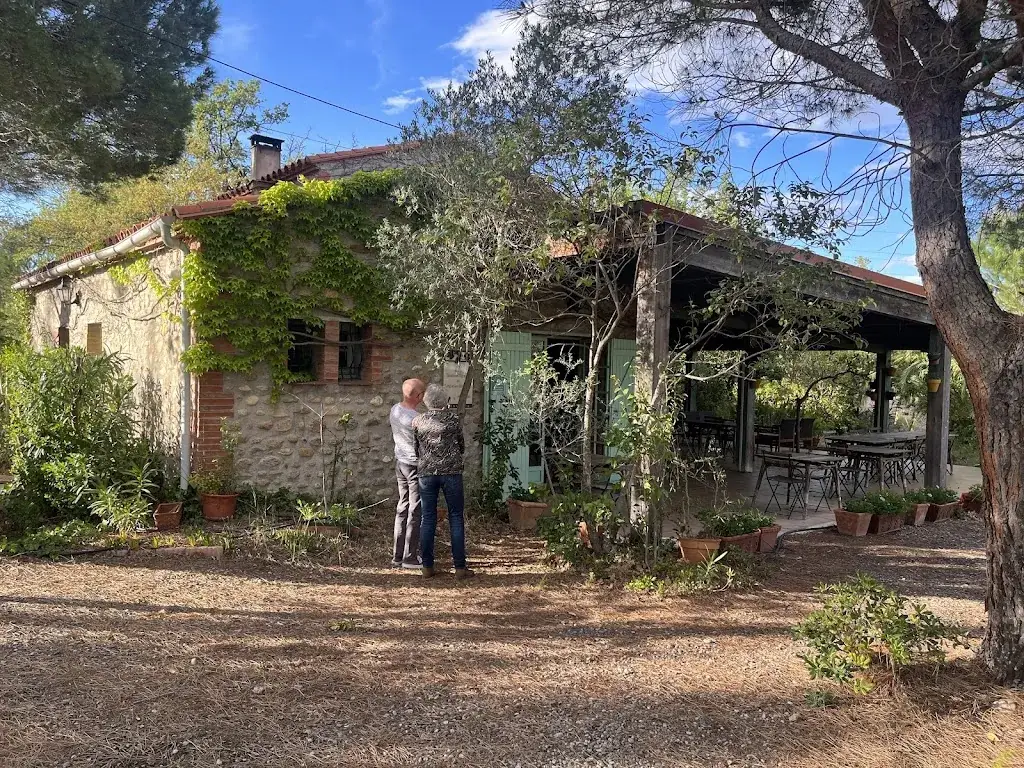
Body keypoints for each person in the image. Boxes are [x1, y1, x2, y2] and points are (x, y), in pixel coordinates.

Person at [413, 383, 473, 580]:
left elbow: (416, 448)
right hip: (452, 472)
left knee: (427, 517)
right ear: (446, 401)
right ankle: (460, 568)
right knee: (455, 516)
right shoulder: (453, 420)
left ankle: (427, 566)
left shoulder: (418, 421)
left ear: (426, 401)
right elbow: (461, 445)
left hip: (426, 473)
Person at [390, 378, 425, 569]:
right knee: (415, 509)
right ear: (418, 396)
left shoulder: (395, 409)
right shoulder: (415, 419)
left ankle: (397, 555)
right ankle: (410, 557)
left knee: (402, 506)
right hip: (414, 465)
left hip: (400, 463)